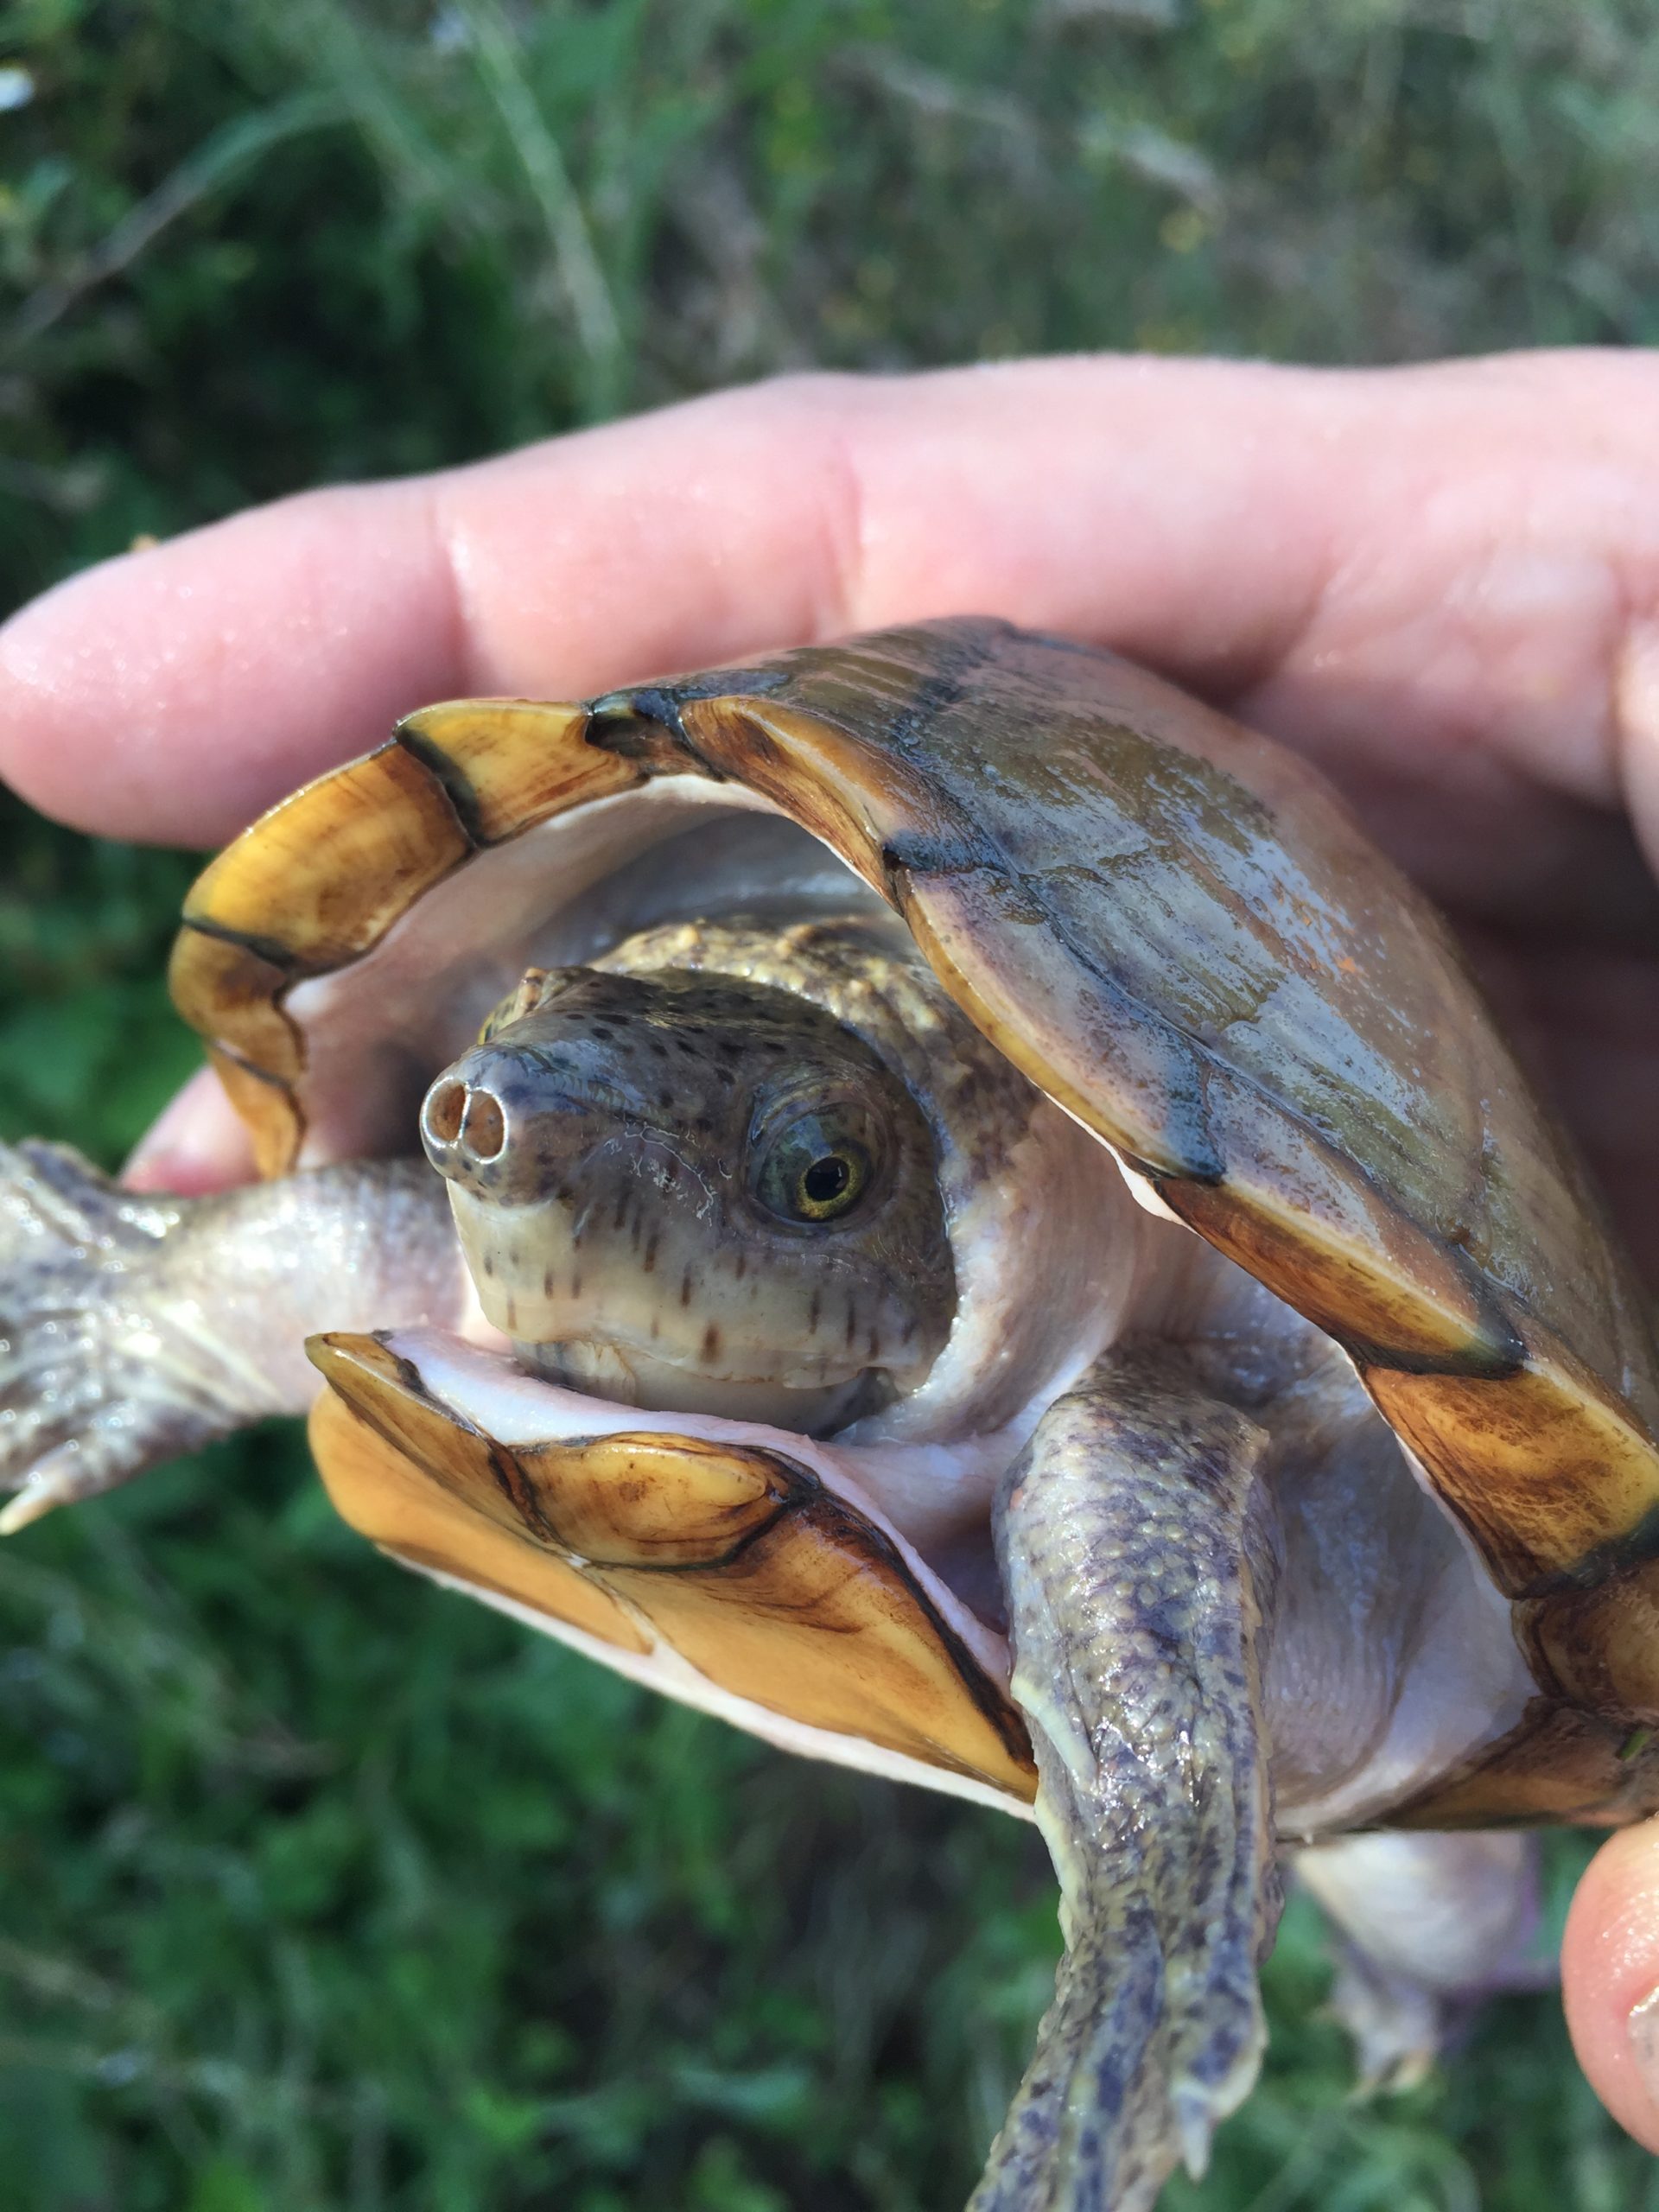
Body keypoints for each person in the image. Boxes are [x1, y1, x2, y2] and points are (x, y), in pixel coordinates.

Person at [3, 348, 1658, 2147]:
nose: (513, 1164)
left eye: (811, 1181)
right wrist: (141, 1315)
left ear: (986, 1179)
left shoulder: (1126, 1433)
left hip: (1356, 1541)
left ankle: (1323, 1960)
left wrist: (1149, 1943)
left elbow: (1162, 1483)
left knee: (1422, 1879)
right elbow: (411, 1183)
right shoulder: (483, 1147)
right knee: (283, 1255)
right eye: (500, 1101)